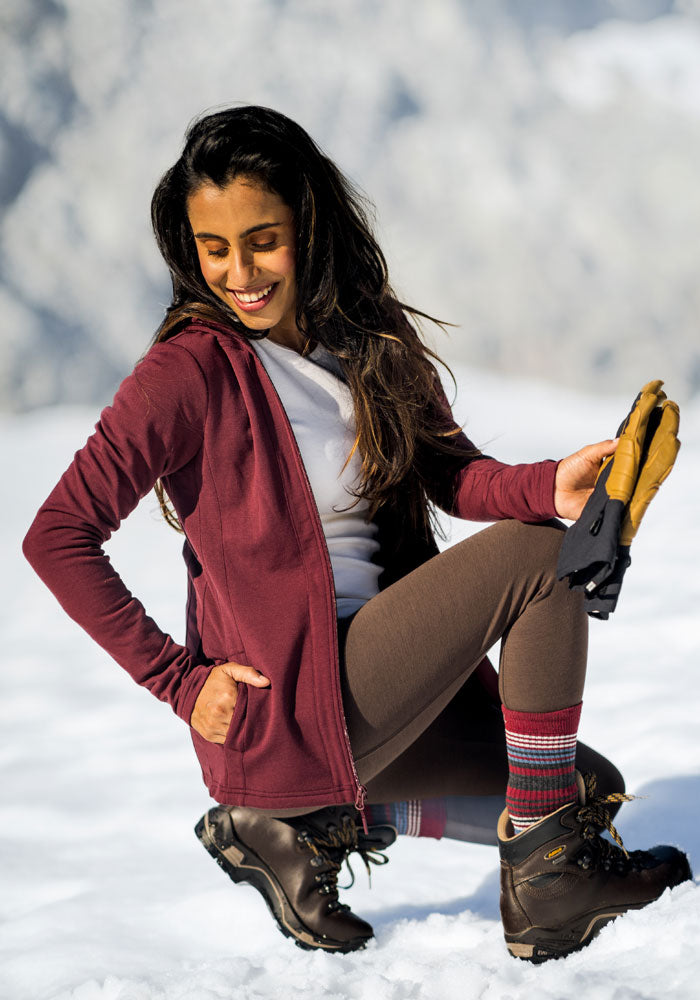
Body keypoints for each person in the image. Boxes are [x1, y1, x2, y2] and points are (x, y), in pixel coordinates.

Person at [23, 105, 690, 963]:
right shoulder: (186, 373)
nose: (239, 272)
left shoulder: (366, 337)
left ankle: (311, 821)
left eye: (262, 240)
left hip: (379, 690)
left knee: (579, 791)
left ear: (308, 223)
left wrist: (547, 486)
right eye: (213, 247)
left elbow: (450, 471)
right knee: (537, 557)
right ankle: (546, 892)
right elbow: (58, 535)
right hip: (291, 704)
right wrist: (180, 683)